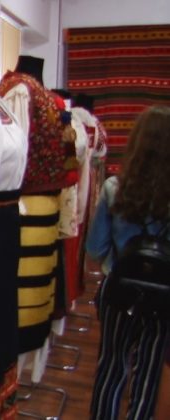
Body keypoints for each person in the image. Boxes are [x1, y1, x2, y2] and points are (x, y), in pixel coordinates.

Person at [86, 105, 170, 420]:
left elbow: (95, 248)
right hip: (163, 297)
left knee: (111, 366)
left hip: (119, 290)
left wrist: (117, 261)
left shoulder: (114, 188)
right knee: (148, 372)